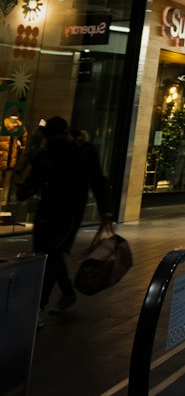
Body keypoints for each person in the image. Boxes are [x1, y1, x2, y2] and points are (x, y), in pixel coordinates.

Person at [16, 116, 113, 319]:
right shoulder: (48, 153)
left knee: (51, 254)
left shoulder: (80, 151)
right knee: (49, 255)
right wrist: (24, 190)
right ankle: (67, 294)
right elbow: (34, 179)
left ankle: (39, 306)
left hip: (68, 214)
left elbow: (97, 180)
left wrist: (105, 210)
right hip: (48, 212)